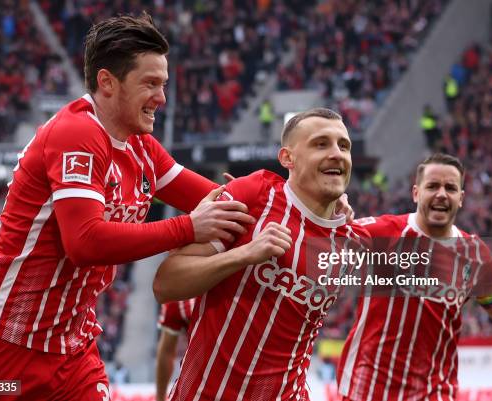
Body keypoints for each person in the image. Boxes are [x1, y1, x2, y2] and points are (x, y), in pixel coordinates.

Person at [0, 13, 256, 401]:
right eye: (150, 84)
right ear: (107, 83)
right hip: (2, 351)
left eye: (163, 84)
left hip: (74, 352)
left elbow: (223, 198)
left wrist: (310, 198)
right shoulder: (76, 133)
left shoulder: (141, 146)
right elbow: (86, 243)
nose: (161, 98)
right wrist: (188, 228)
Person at [153, 108, 371, 400]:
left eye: (343, 146)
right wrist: (244, 255)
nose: (337, 153)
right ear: (287, 158)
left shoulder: (350, 241)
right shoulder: (255, 196)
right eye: (321, 144)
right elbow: (165, 284)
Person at [337, 153, 492, 401]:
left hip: (435, 393)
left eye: (450, 188)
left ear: (461, 198)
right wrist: (333, 210)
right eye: (432, 186)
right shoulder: (381, 233)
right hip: (367, 391)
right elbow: (322, 238)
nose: (441, 194)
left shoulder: (474, 255)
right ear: (416, 193)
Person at [155, 299, 196, 401]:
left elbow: (166, 350)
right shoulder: (181, 298)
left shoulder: (183, 296)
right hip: (199, 388)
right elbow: (166, 352)